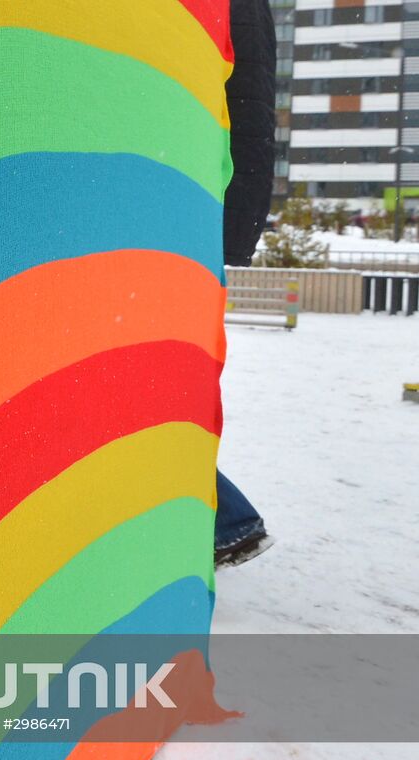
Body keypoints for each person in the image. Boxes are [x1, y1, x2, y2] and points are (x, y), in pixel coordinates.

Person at [215, 0, 276, 567]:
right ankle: (227, 521)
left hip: (189, 214)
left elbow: (250, 117)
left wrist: (232, 233)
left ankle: (227, 521)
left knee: (157, 393)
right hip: (196, 212)